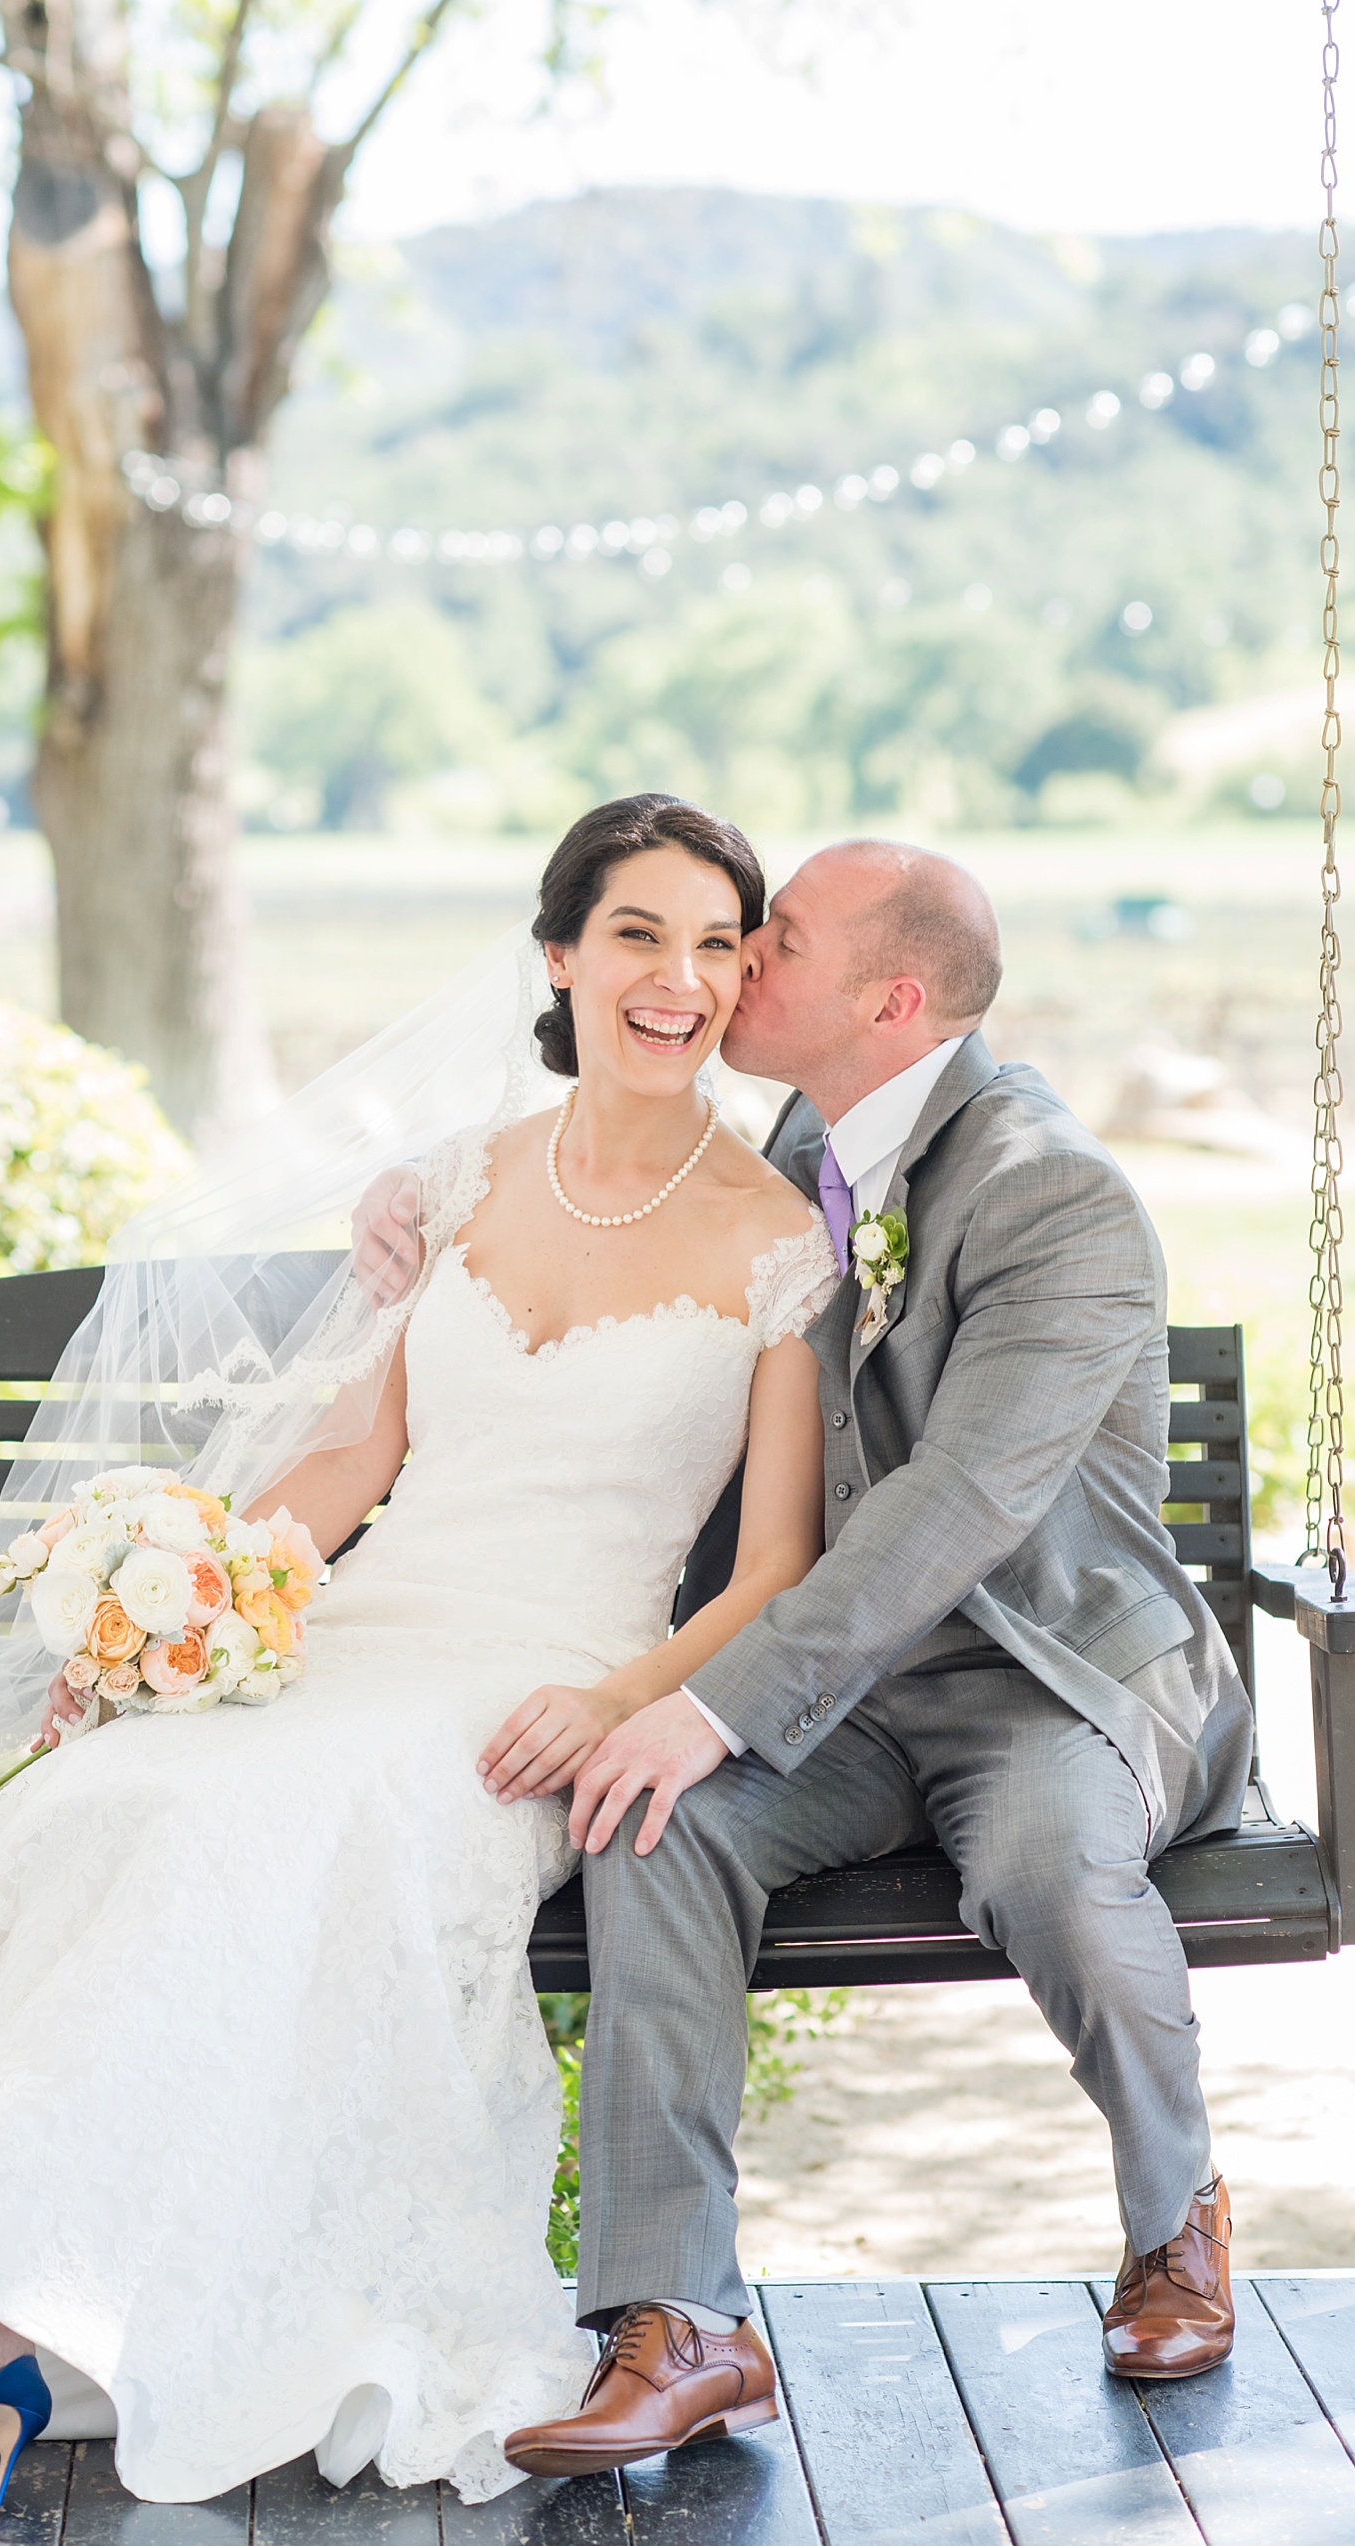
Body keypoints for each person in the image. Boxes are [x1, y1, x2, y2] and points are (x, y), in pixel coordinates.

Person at [0, 797, 840, 2506]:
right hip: (361, 1633)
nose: (683, 979)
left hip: (532, 1691)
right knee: (96, 1798)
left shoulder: (779, 1239)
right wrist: (175, 1623)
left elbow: (779, 1566)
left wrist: (615, 1699)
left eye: (720, 942)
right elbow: (349, 1464)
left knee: (258, 1828)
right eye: (641, 934)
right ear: (563, 955)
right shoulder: (455, 1184)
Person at [497, 838, 1253, 2482]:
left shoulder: (1054, 1188)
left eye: (779, 938)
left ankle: (1173, 2219)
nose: (740, 955)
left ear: (891, 999)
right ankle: (680, 2320)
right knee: (657, 1817)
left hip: (1048, 1670)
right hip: (851, 1692)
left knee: (1052, 1853)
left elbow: (953, 1504)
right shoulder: (800, 1140)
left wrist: (710, 1699)